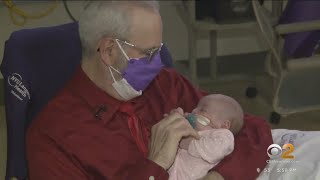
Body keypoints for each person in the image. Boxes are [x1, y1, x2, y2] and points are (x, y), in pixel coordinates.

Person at [26, 1, 272, 180]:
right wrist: (156, 164)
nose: (158, 63)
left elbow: (252, 128)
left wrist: (218, 176)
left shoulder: (164, 85)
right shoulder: (53, 138)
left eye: (160, 50)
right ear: (110, 51)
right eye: (149, 53)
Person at [168, 94, 244, 180]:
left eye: (203, 110)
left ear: (224, 125)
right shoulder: (192, 129)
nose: (194, 111)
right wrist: (175, 119)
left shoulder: (224, 135)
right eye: (195, 108)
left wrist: (188, 142)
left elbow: (214, 150)